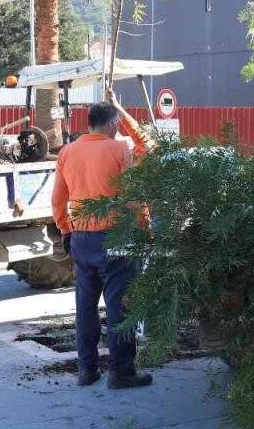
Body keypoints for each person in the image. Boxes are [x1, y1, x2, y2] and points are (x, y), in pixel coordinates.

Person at [51, 98, 153, 389]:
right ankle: (121, 373)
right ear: (112, 123)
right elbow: (135, 193)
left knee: (85, 307)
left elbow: (57, 200)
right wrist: (145, 228)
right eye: (117, 123)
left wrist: (66, 230)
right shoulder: (120, 148)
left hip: (81, 238)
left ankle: (87, 370)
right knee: (120, 307)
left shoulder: (67, 152)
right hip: (116, 238)